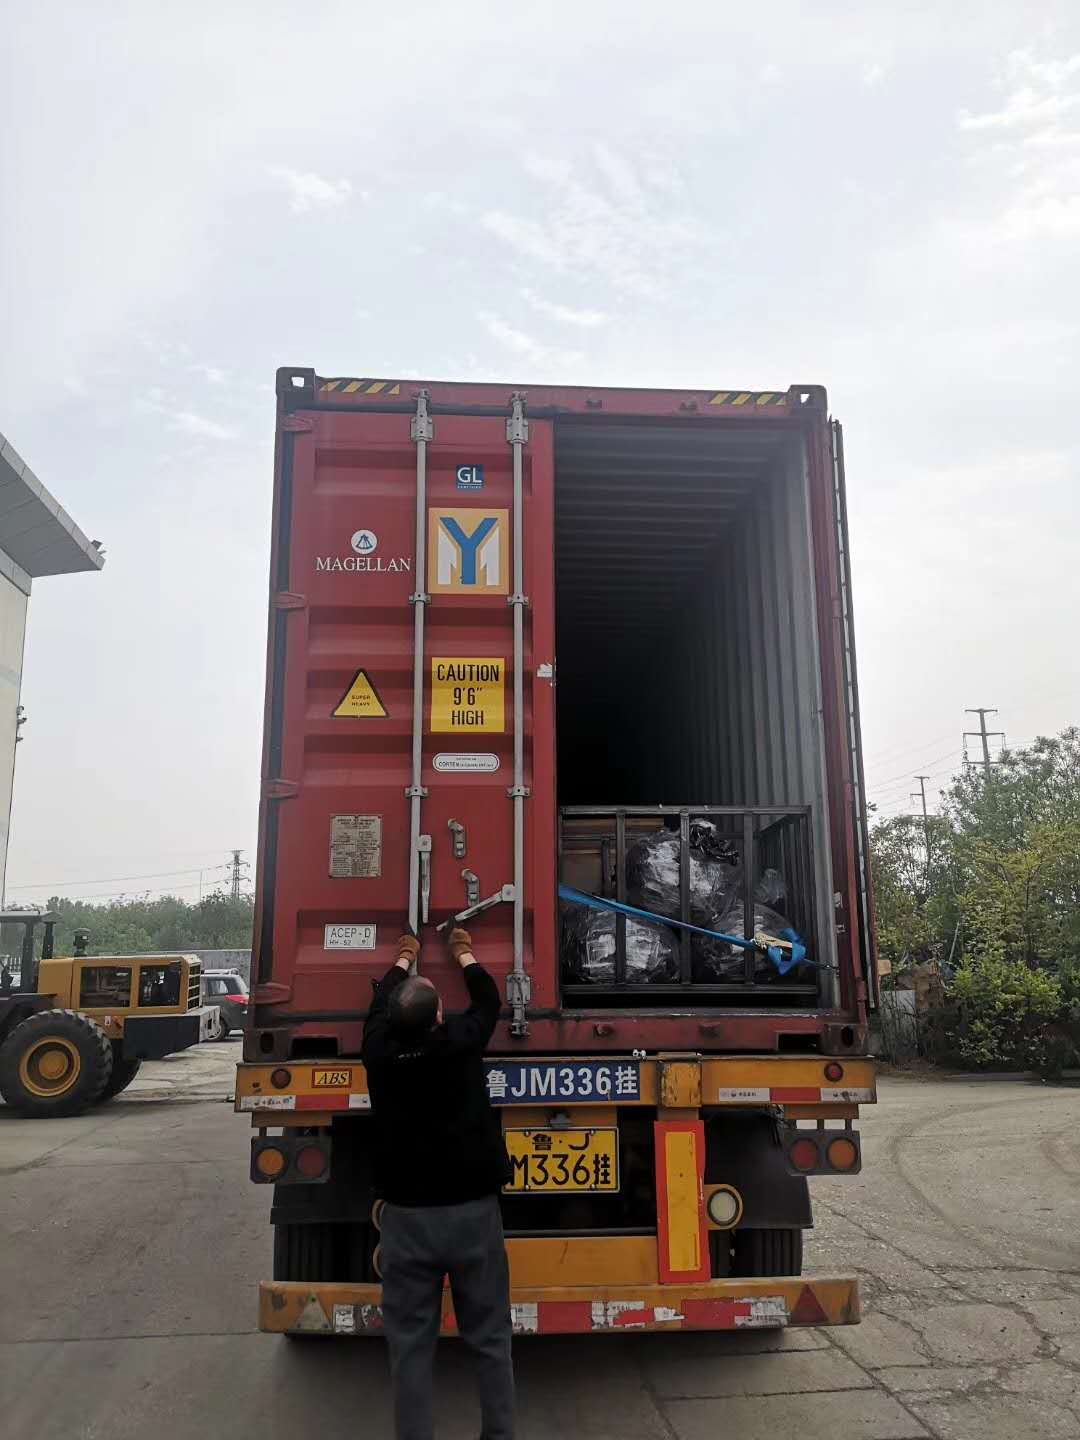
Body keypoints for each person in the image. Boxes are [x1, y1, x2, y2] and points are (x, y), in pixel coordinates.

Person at [362, 926, 514, 1440]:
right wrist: (463, 952)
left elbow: (377, 1009)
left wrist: (403, 958)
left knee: (409, 1346)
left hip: (406, 1221)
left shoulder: (378, 1055)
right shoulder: (460, 1044)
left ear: (391, 1021)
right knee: (491, 1338)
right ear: (441, 1016)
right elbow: (489, 1001)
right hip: (472, 1216)